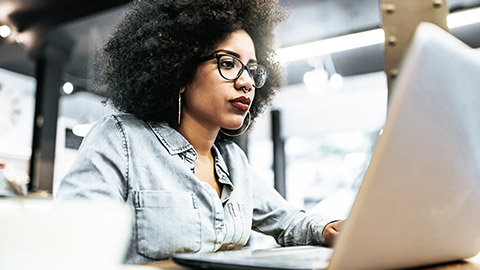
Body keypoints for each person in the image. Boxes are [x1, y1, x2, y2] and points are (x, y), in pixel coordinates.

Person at [55, 0, 343, 264]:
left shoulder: (235, 162)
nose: (246, 83)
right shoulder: (122, 140)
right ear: (179, 73)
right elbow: (73, 241)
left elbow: (290, 221)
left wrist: (331, 228)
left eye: (253, 71)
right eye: (228, 63)